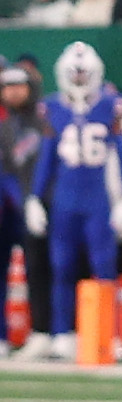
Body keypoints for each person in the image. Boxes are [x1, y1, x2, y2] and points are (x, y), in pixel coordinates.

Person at [27, 40, 122, 358]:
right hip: (64, 199)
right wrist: (34, 197)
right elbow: (46, 158)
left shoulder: (110, 105)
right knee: (61, 267)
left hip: (96, 199)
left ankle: (109, 333)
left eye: (82, 73)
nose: (77, 79)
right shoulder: (53, 107)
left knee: (105, 268)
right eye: (73, 74)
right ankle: (63, 332)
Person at [0, 61, 49, 356]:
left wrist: (34, 200)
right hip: (8, 208)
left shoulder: (43, 122)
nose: (12, 92)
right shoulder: (5, 125)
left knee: (40, 270)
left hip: (37, 206)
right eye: (7, 87)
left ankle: (43, 331)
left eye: (19, 86)